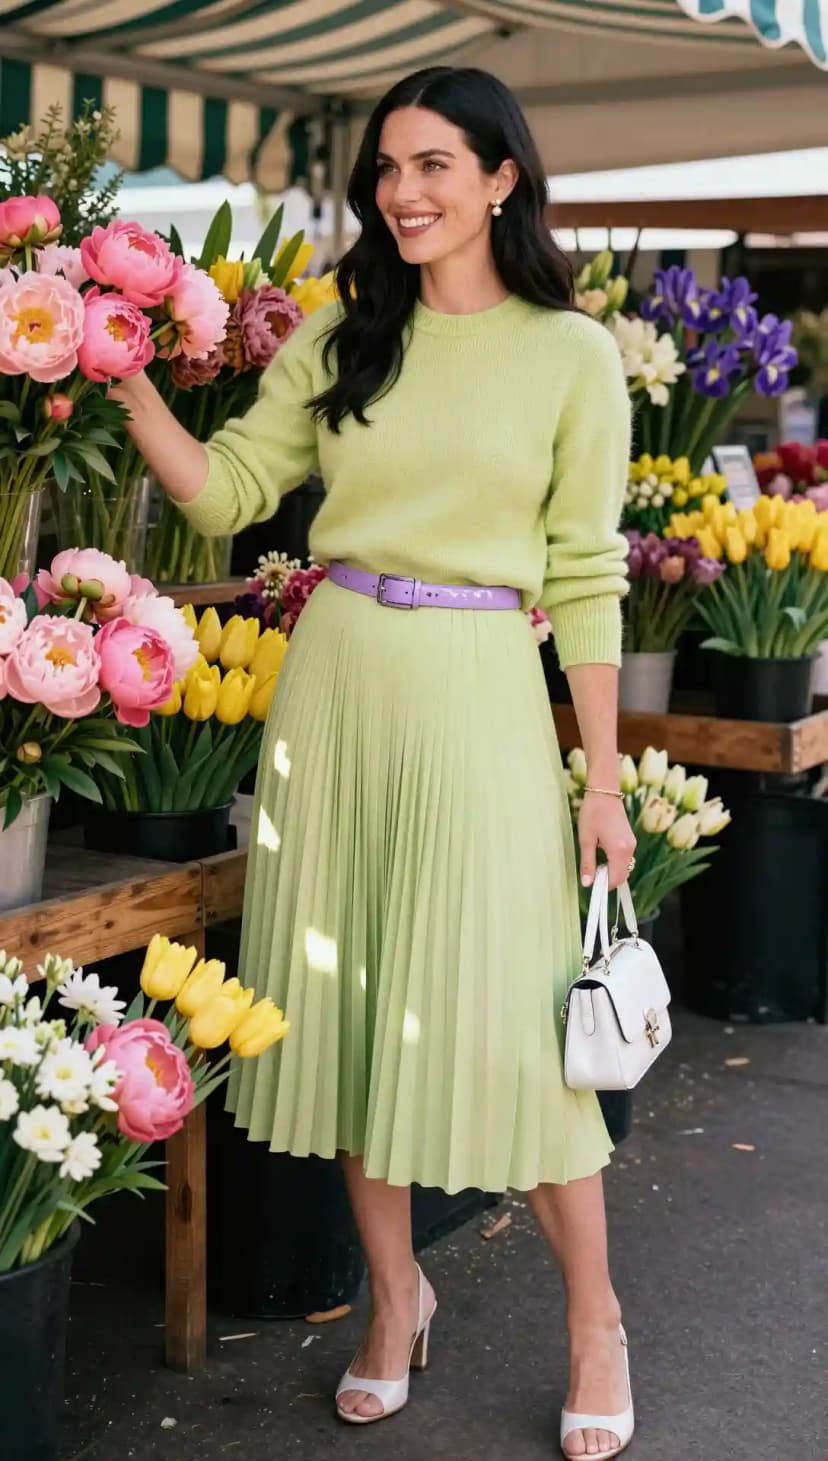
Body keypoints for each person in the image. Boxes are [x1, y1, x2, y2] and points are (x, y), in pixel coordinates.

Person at [113, 66, 637, 1461]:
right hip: (337, 687)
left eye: (434, 165)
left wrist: (600, 779)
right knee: (354, 1012)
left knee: (526, 1035)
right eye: (387, 169)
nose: (403, 191)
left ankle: (599, 1319)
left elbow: (588, 578)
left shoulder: (570, 356)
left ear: (501, 179)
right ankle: (392, 1295)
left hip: (480, 697)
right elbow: (227, 489)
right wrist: (116, 374)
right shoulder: (349, 332)